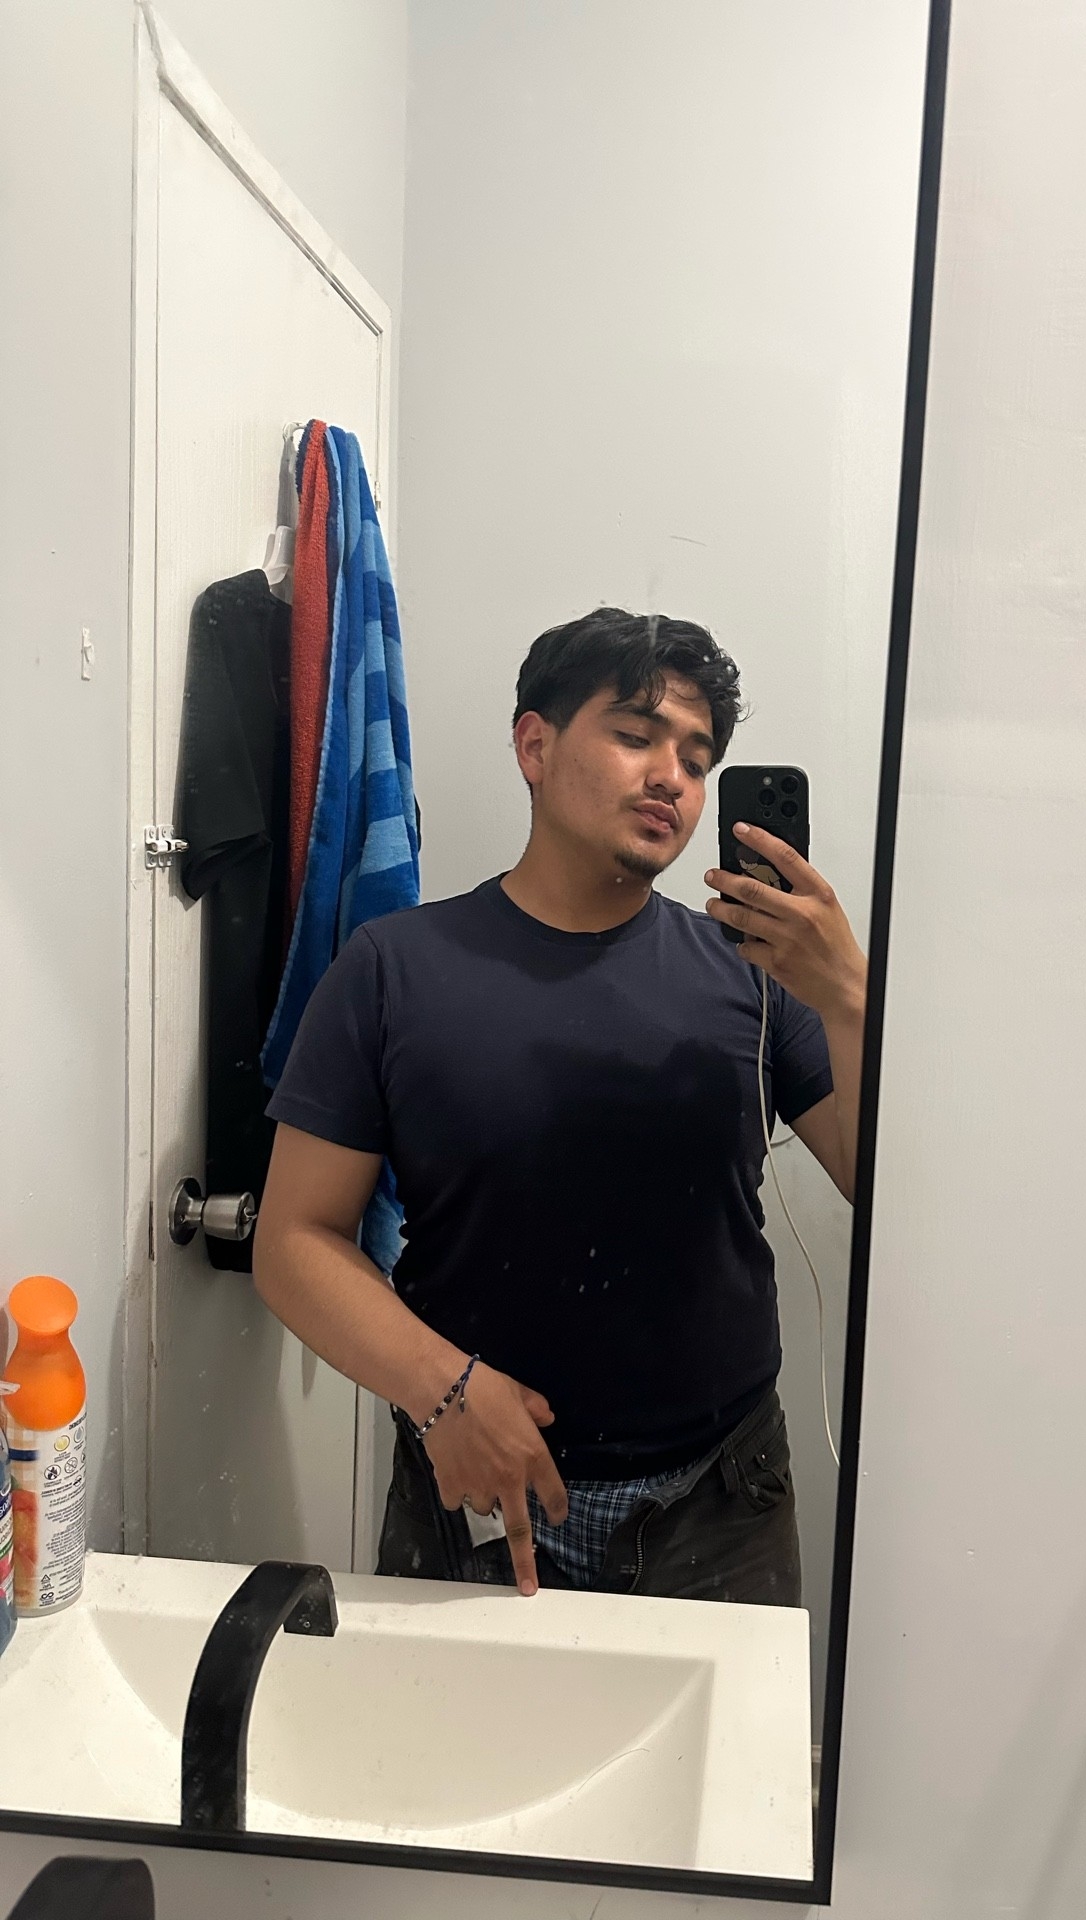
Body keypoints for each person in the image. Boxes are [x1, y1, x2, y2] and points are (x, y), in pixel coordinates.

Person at [253, 607, 867, 1604]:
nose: (672, 776)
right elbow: (292, 1242)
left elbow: (881, 1189)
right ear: (534, 747)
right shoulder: (394, 971)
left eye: (696, 757)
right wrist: (442, 1391)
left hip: (719, 1501)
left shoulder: (754, 976)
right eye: (635, 735)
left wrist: (849, 995)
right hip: (475, 1492)